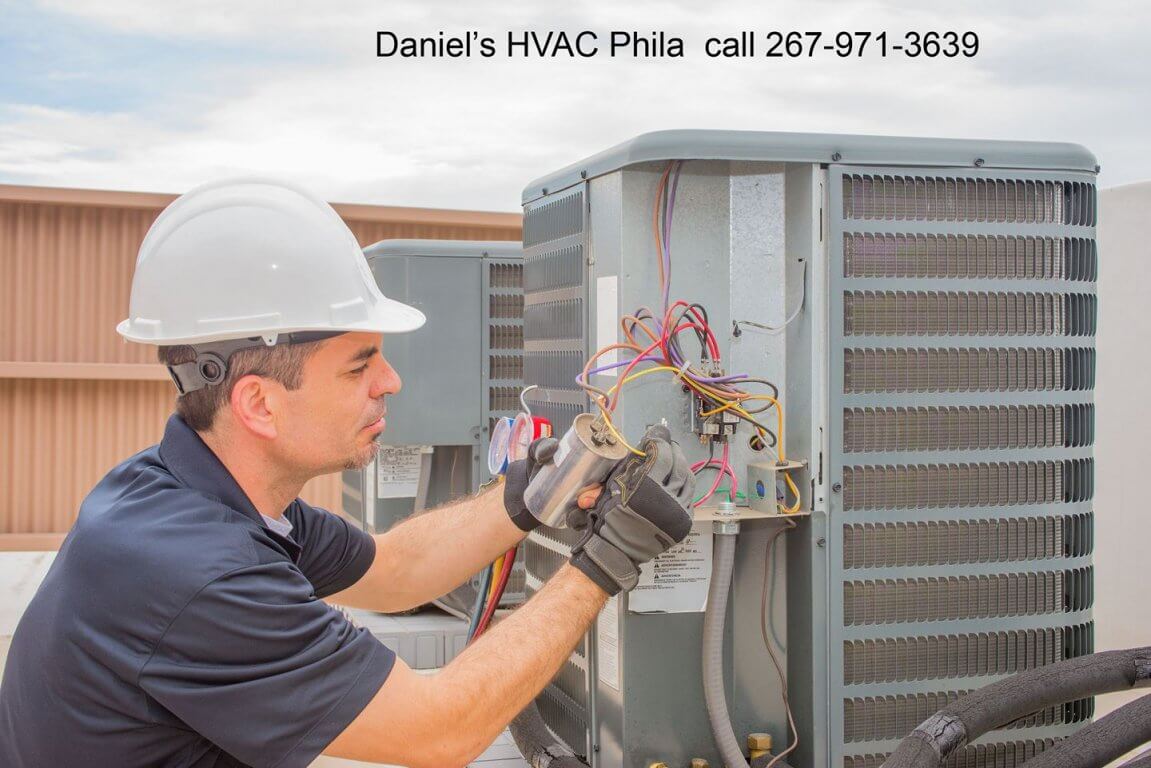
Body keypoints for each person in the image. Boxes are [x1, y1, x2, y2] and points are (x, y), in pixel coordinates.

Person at [0, 178, 695, 768]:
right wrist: (606, 563)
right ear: (259, 404)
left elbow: (391, 571)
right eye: (360, 365)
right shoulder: (198, 575)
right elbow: (439, 728)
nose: (390, 382)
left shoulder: (184, 490)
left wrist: (525, 494)